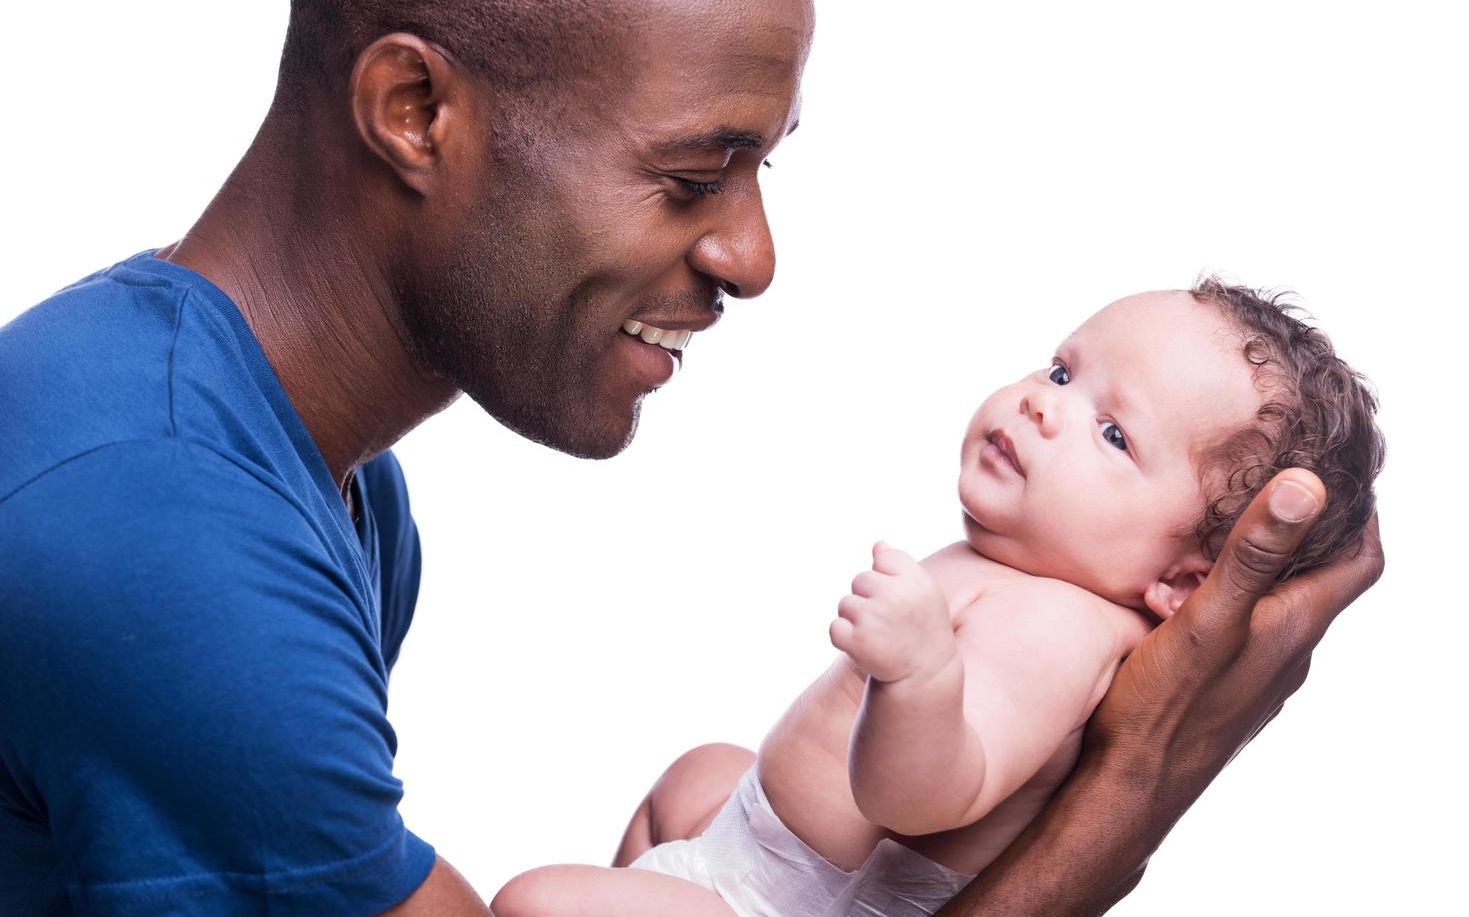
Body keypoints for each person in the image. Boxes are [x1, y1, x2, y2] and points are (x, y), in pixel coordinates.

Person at [0, 0, 1382, 915]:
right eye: (691, 174)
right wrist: (1130, 797)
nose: (752, 256)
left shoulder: (310, 479)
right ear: (415, 112)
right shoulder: (168, 540)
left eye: (760, 169)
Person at [490, 281, 1383, 916]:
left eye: (1113, 434)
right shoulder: (1023, 569)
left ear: (1183, 582)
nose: (1041, 406)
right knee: (699, 771)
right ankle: (661, 884)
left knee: (534, 902)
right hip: (763, 852)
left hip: (804, 907)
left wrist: (918, 673)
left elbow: (921, 799)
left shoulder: (1059, 627)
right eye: (1062, 372)